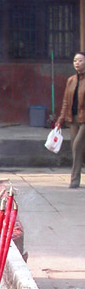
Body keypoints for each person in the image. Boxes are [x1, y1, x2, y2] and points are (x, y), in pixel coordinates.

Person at [56, 50, 85, 188]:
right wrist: (61, 119)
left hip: (84, 119)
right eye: (75, 61)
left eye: (80, 60)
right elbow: (66, 102)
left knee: (77, 146)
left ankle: (74, 181)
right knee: (77, 150)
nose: (77, 63)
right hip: (73, 119)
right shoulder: (71, 80)